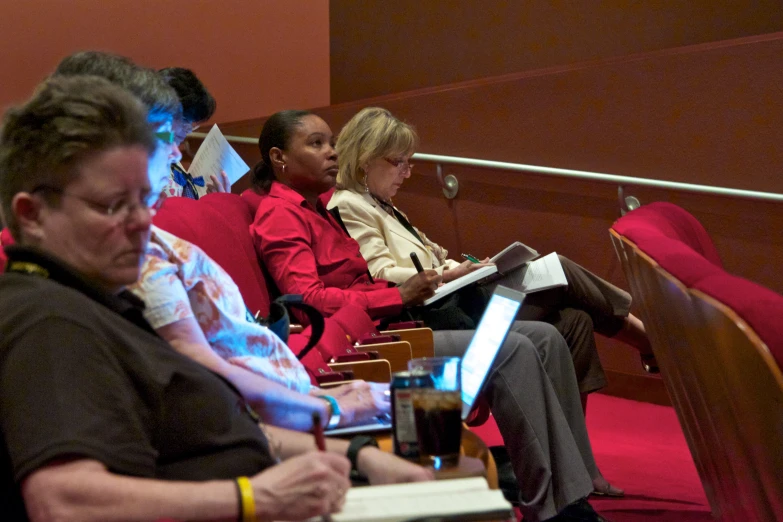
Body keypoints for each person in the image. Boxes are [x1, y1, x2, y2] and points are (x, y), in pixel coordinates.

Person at [0, 74, 430, 522]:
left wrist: (358, 455)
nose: (140, 225)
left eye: (145, 201)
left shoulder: (107, 299)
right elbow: (64, 501)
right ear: (33, 216)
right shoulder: (48, 317)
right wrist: (255, 497)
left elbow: (212, 430)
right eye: (111, 206)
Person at [249, 109, 618, 521]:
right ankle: (554, 509)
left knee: (546, 337)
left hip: (394, 325)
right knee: (510, 347)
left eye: (331, 142)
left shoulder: (320, 210)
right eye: (316, 144)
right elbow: (309, 300)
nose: (332, 152)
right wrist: (398, 294)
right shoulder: (283, 215)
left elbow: (364, 281)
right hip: (370, 346)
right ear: (280, 157)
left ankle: (569, 488)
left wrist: (416, 285)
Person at [52, 50, 388, 432]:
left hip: (291, 406)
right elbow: (198, 368)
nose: (178, 151)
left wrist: (322, 403)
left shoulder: (145, 237)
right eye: (166, 136)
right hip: (278, 423)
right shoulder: (124, 251)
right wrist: (329, 409)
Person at [329, 107, 659, 403]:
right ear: (365, 159)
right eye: (398, 162)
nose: (407, 172)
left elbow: (433, 259)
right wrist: (447, 275)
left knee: (575, 321)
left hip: (461, 300)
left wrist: (475, 268)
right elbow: (379, 274)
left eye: (408, 162)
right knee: (559, 269)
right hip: (439, 318)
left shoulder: (384, 205)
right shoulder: (348, 204)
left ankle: (571, 456)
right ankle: (652, 340)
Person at [158, 67, 230, 199]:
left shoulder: (168, 146)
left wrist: (217, 200)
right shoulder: (139, 157)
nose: (188, 129)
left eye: (193, 124)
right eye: (185, 119)